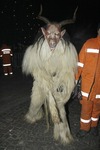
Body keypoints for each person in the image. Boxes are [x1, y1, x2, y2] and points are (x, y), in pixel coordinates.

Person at [76, 23, 100, 138]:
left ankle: (94, 126)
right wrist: (74, 81)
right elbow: (79, 64)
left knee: (96, 110)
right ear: (98, 30)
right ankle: (84, 129)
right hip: (87, 87)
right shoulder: (89, 43)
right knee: (86, 110)